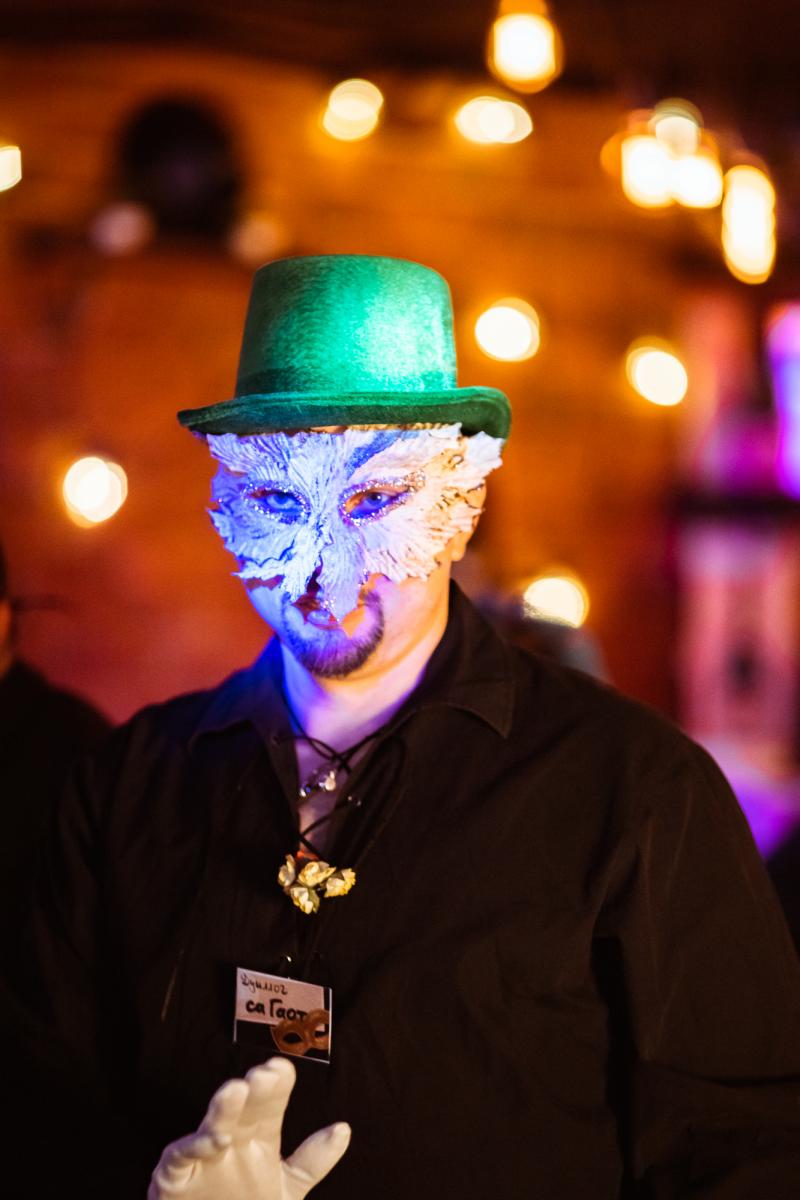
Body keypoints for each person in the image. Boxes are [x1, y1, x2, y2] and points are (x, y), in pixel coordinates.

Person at [22, 256, 800, 1199]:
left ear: (461, 506)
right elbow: (39, 1103)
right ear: (226, 498)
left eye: (374, 502)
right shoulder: (133, 785)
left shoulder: (636, 794)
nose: (328, 574)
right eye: (279, 503)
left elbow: (742, 1152)